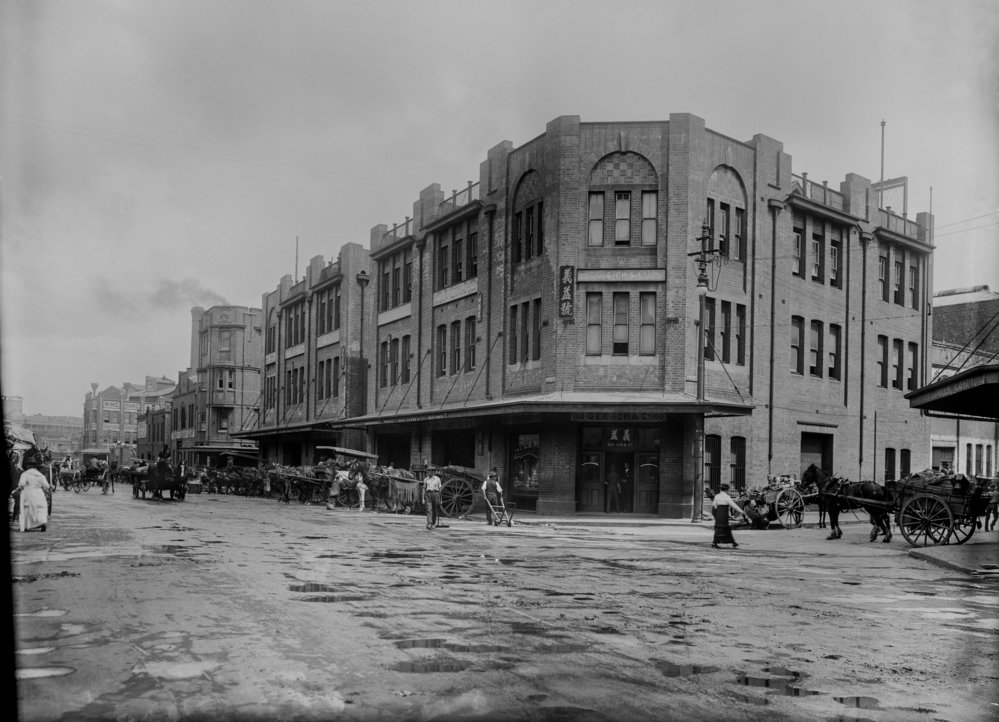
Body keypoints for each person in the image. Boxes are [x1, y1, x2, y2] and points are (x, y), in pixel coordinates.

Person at [18, 452, 51, 532]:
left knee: (27, 510)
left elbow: (21, 484)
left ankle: (26, 526)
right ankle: (42, 523)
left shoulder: (25, 474)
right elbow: (46, 486)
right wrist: (46, 491)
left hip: (28, 494)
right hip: (39, 494)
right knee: (41, 509)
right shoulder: (41, 476)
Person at [711, 483, 743, 549]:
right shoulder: (727, 497)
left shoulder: (717, 496)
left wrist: (715, 515)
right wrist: (741, 511)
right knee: (726, 528)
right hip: (724, 515)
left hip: (718, 514)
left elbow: (714, 506)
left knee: (718, 529)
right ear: (726, 490)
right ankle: (732, 542)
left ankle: (715, 542)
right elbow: (734, 505)